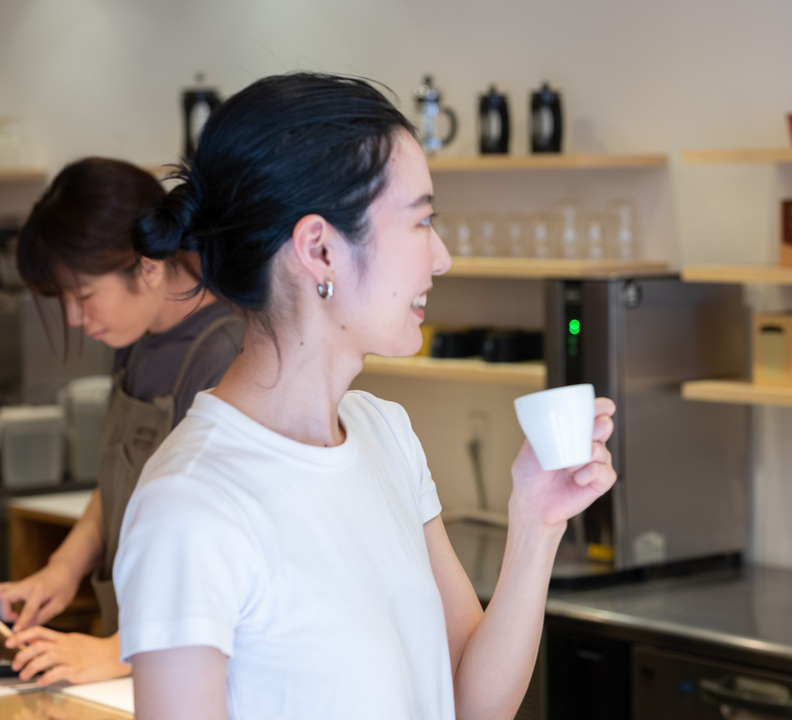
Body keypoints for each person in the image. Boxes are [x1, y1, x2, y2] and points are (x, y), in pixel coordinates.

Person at [112, 72, 618, 719]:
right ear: (319, 249)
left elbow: (471, 704)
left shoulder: (385, 432)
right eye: (421, 222)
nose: (441, 258)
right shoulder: (191, 504)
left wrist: (536, 527)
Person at [0, 158, 244, 687]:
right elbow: (121, 474)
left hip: (187, 661)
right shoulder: (136, 336)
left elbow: (221, 552)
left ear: (148, 266)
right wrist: (61, 571)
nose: (72, 318)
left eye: (83, 295)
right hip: (138, 649)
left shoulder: (226, 354)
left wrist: (118, 651)